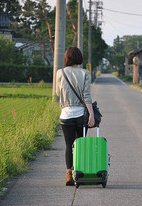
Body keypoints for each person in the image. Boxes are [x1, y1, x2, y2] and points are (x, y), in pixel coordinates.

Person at [56, 47, 95, 186]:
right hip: (80, 115)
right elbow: (87, 96)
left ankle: (68, 174)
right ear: (79, 58)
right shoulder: (85, 73)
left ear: (67, 58)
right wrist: (91, 115)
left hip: (66, 114)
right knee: (80, 145)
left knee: (68, 145)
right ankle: (80, 172)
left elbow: (57, 93)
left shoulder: (60, 73)